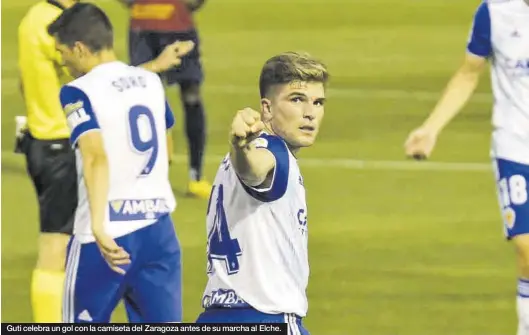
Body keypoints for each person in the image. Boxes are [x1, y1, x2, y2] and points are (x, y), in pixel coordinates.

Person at [17, 0, 192, 323]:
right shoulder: (151, 82)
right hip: (158, 231)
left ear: (80, 48)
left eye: (63, 52)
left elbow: (94, 156)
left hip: (105, 238)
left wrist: (98, 225)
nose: (63, 61)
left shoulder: (77, 91)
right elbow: (165, 146)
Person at [404, 0, 529, 333]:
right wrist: (431, 128)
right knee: (527, 246)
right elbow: (467, 73)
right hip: (516, 146)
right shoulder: (495, 12)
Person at [195, 52, 329, 334]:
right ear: (266, 109)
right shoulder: (273, 152)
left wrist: (239, 150)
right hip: (269, 319)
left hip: (215, 317)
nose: (310, 113)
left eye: (318, 102)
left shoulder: (233, 159)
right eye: (296, 99)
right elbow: (254, 172)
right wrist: (241, 149)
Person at [124, 0, 212, 199]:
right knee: (144, 96)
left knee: (186, 96)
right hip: (151, 26)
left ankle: (194, 177)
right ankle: (154, 177)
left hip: (166, 25)